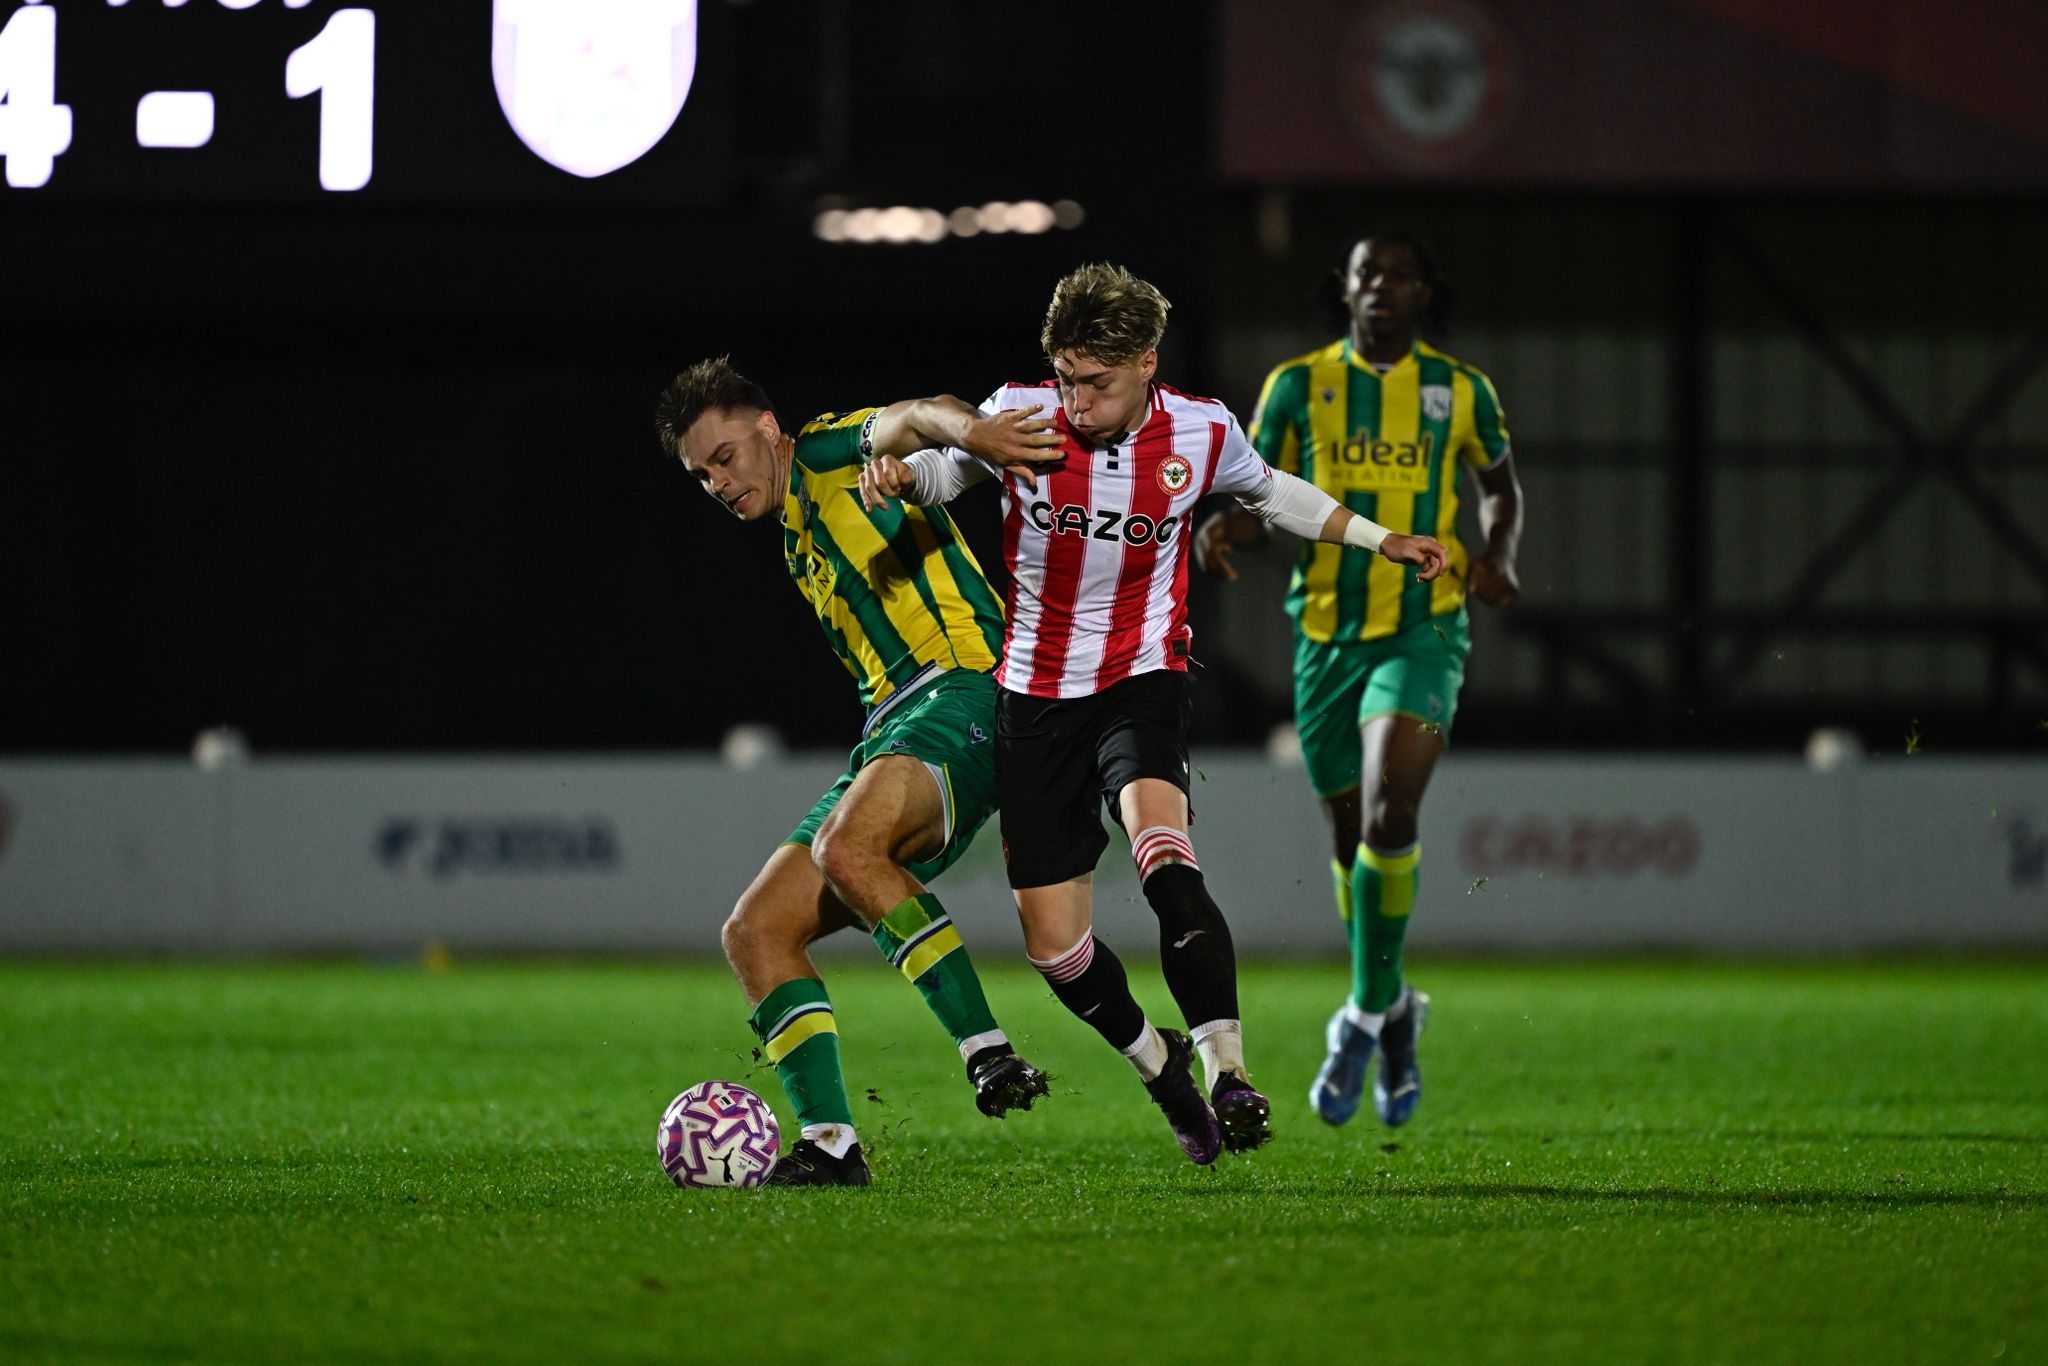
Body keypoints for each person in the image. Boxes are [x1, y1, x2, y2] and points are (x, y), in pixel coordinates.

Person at [859, 264, 1448, 1165]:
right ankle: (1161, 1065)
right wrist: (900, 479)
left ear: (1146, 362)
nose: (1077, 400)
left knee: (1163, 854)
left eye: (1096, 382)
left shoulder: (1201, 431)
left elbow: (1274, 490)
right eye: (1065, 378)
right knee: (1055, 950)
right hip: (1034, 696)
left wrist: (1381, 538)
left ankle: (1230, 1071)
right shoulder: (1021, 415)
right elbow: (945, 470)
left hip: (1142, 678)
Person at [653, 357, 1067, 1186]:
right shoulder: (795, 534)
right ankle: (834, 1146)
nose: (717, 483)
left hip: (965, 688)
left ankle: (987, 1051)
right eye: (701, 475)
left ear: (767, 429)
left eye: (724, 457)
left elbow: (922, 411)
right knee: (756, 931)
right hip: (893, 728)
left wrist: (974, 432)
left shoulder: (826, 454)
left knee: (848, 846)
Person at [1197, 230, 1524, 1129]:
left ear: (1425, 293)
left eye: (1402, 274)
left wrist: (1496, 554)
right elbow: (1264, 499)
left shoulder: (1460, 391)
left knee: (1390, 810)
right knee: (1351, 843)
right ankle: (1391, 1007)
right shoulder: (1300, 385)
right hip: (1325, 639)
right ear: (1342, 290)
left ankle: (1358, 1021)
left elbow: (1500, 486)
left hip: (1424, 625)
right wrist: (1228, 527)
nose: (1384, 285)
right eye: (1367, 273)